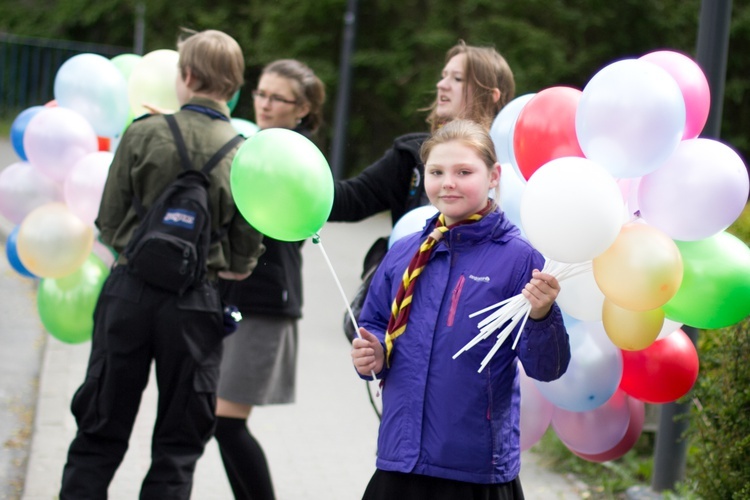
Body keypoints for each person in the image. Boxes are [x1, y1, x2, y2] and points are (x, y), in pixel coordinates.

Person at [59, 29, 265, 499]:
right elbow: (242, 257)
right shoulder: (245, 155)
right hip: (196, 308)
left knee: (98, 430)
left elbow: (108, 224)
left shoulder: (142, 133)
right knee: (177, 448)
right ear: (234, 85)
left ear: (187, 76)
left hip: (128, 294)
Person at [350, 119, 571, 499]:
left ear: (493, 176)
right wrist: (370, 356)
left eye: (463, 171)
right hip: (401, 461)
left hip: (474, 471)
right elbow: (374, 324)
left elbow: (547, 368)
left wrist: (541, 315)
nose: (448, 182)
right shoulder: (404, 253)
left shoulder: (519, 259)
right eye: (436, 172)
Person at [214, 59, 326, 500]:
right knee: (216, 420)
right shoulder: (251, 145)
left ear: (301, 109)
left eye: (277, 98)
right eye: (260, 93)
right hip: (231, 293)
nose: (264, 103)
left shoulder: (297, 158)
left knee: (225, 421)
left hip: (265, 301)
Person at [328, 40, 515, 225]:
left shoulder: (516, 166)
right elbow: (349, 199)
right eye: (436, 172)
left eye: (457, 78)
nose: (441, 84)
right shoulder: (410, 154)